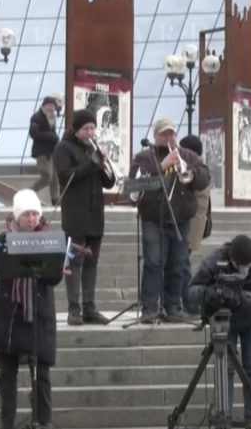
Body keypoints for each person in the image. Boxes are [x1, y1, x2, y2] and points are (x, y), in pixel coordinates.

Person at [0, 190, 62, 429]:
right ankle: (6, 422)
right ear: (17, 216)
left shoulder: (48, 238)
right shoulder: (4, 237)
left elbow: (55, 276)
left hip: (38, 312)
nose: (31, 219)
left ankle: (44, 420)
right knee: (7, 373)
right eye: (26, 214)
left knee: (42, 372)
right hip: (9, 312)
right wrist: (8, 242)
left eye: (35, 214)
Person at [187, 235, 251, 429]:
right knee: (224, 367)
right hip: (223, 318)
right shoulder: (215, 261)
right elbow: (192, 292)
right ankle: (223, 414)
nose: (246, 269)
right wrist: (210, 293)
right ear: (232, 261)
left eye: (249, 265)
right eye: (242, 266)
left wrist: (241, 297)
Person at [129, 119, 210, 324]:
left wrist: (188, 168)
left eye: (171, 134)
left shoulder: (189, 155)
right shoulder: (144, 157)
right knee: (153, 263)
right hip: (153, 218)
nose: (169, 138)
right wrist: (161, 166)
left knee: (177, 264)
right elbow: (133, 187)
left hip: (181, 218)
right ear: (155, 136)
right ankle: (149, 308)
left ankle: (173, 307)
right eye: (164, 134)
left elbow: (203, 180)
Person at [52, 108, 117, 325]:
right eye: (86, 128)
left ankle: (90, 307)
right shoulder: (64, 148)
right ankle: (74, 309)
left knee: (91, 263)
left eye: (92, 128)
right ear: (76, 129)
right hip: (75, 214)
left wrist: (106, 166)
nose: (90, 133)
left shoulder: (92, 149)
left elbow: (108, 183)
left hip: (95, 214)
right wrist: (93, 162)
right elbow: (67, 176)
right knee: (74, 263)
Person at [179, 134, 210, 316]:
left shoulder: (197, 170)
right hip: (193, 222)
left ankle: (190, 303)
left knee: (182, 264)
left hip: (192, 223)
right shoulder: (199, 167)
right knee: (182, 263)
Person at [29, 96, 61, 206]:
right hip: (42, 152)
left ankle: (55, 200)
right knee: (47, 176)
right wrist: (50, 136)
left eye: (53, 106)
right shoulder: (37, 118)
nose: (51, 108)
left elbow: (53, 133)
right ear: (44, 105)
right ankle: (30, 192)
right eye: (49, 105)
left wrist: (56, 140)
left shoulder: (52, 117)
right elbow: (33, 133)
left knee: (55, 177)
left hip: (52, 151)